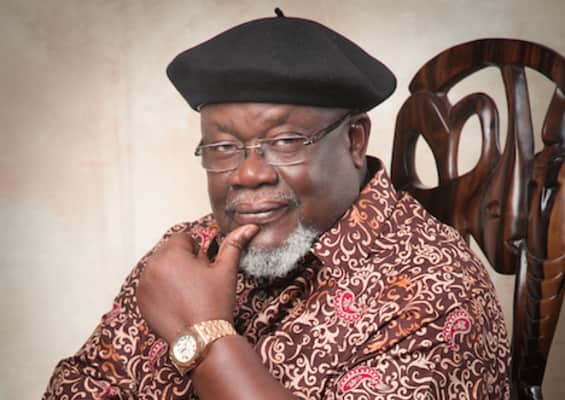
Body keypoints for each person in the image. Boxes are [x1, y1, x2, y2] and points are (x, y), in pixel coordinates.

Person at [43, 9, 510, 400]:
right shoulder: (186, 255)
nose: (248, 174)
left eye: (285, 141)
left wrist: (205, 337)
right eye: (222, 147)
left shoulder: (435, 293)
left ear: (354, 140)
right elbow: (78, 388)